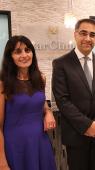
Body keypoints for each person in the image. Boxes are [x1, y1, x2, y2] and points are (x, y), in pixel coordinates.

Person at [52, 18, 95, 170]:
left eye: (92, 35)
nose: (88, 39)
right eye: (83, 33)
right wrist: (87, 125)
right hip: (76, 134)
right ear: (75, 34)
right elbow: (62, 100)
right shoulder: (61, 63)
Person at [0, 35, 56, 170]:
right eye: (18, 51)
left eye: (27, 50)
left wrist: (48, 112)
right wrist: (2, 161)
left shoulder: (41, 78)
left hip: (40, 143)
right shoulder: (3, 84)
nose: (24, 55)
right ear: (10, 57)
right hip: (15, 145)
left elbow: (41, 104)